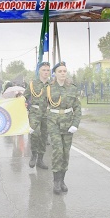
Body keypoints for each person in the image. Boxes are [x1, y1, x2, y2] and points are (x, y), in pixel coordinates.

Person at [46, 61, 82, 195]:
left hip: (68, 123)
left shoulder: (72, 88)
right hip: (53, 122)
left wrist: (75, 124)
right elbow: (42, 105)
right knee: (58, 151)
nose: (62, 73)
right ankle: (56, 181)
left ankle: (62, 180)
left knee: (66, 153)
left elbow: (77, 108)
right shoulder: (48, 88)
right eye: (60, 71)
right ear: (54, 73)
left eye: (64, 71)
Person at [23, 62, 51, 170]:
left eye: (48, 70)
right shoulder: (32, 84)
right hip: (35, 112)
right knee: (35, 134)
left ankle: (40, 159)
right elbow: (25, 96)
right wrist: (21, 101)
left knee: (44, 137)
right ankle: (34, 155)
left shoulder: (52, 85)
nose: (46, 72)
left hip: (46, 113)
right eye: (44, 70)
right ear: (39, 71)